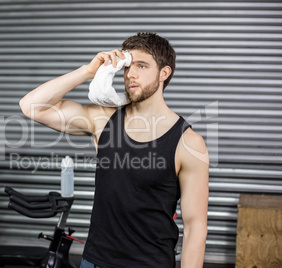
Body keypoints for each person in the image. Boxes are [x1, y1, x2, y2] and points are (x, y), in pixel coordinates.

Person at [20, 32, 209, 268]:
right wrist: (88, 71)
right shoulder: (103, 119)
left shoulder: (188, 142)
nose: (130, 74)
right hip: (95, 261)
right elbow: (31, 107)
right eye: (128, 66)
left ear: (164, 73)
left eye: (142, 66)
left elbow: (195, 227)